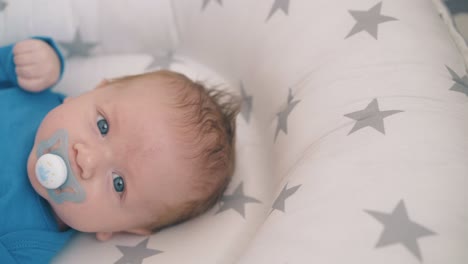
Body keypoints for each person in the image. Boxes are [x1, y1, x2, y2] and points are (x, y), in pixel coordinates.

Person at [0, 36, 239, 263]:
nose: (87, 159)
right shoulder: (36, 94)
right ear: (93, 92)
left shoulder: (25, 245)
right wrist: (25, 62)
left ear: (117, 229)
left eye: (118, 184)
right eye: (102, 126)